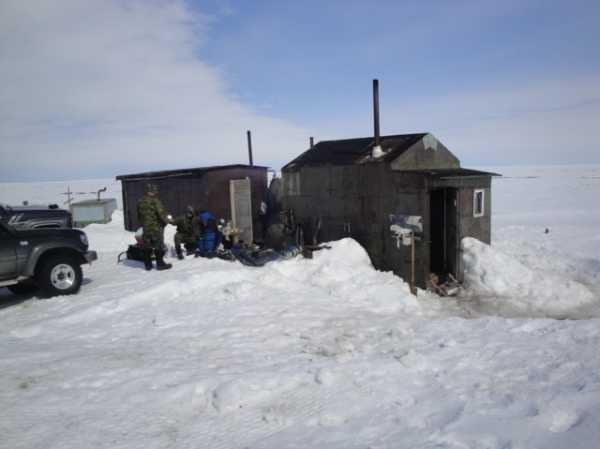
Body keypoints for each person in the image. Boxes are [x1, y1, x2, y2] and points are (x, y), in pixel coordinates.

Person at [136, 184, 172, 271]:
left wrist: (144, 224)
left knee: (146, 246)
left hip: (146, 228)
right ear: (153, 191)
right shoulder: (156, 201)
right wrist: (167, 221)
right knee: (158, 246)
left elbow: (139, 216)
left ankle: (148, 265)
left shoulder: (140, 201)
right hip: (156, 228)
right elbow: (161, 214)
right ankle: (160, 264)